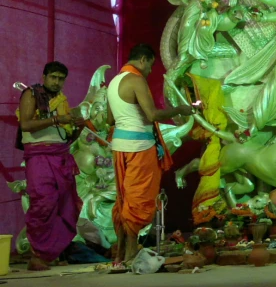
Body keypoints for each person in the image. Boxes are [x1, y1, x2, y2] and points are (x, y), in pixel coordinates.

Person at [107, 44, 195, 265]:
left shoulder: (114, 82)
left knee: (125, 199)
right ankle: (129, 255)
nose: (149, 72)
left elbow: (109, 120)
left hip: (119, 146)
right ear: (143, 60)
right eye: (151, 66)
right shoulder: (136, 80)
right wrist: (180, 110)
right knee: (138, 200)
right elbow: (152, 114)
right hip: (139, 146)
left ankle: (119, 255)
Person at [17, 61, 86, 270]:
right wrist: (57, 119)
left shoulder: (61, 101)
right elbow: (26, 124)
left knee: (64, 204)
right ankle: (37, 255)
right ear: (44, 77)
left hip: (60, 157)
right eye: (53, 77)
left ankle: (53, 253)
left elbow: (65, 137)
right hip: (39, 157)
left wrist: (78, 128)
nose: (57, 82)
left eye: (61, 79)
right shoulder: (31, 93)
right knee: (42, 204)